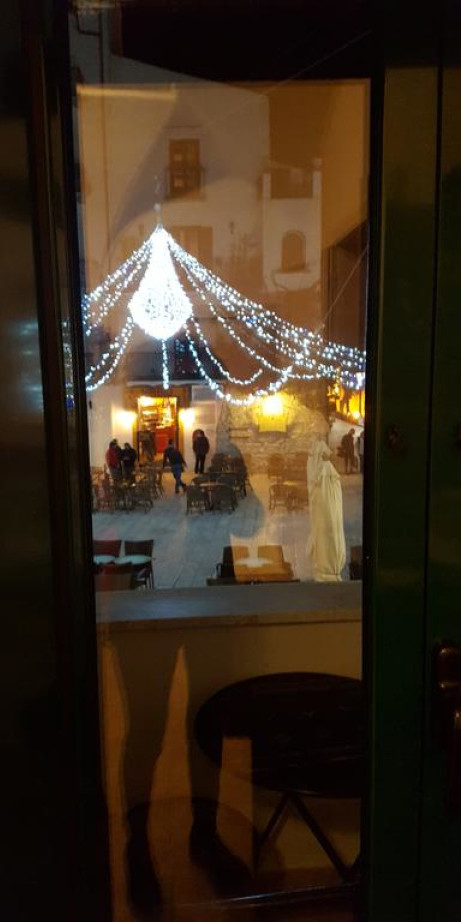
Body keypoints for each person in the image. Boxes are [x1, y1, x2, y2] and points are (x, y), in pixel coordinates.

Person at [307, 435, 346, 581]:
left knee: (328, 534)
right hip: (324, 514)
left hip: (326, 514)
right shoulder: (324, 474)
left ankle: (327, 567)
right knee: (326, 535)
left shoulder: (326, 474)